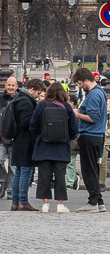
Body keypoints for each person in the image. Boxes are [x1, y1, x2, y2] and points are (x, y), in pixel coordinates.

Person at [29, 81, 78, 213]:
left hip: (43, 146)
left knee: (44, 176)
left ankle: (45, 204)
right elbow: (74, 127)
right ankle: (60, 204)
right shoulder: (66, 107)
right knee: (60, 176)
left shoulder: (41, 106)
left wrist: (39, 137)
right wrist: (67, 138)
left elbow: (32, 126)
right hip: (61, 147)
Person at [4, 78, 43, 210]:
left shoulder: (17, 99)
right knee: (25, 170)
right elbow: (27, 122)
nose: (38, 96)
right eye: (38, 93)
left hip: (18, 139)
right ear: (32, 89)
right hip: (26, 140)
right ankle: (23, 200)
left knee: (19, 172)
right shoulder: (26, 102)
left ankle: (15, 202)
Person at [71, 66, 106, 212]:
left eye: (80, 83)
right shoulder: (101, 92)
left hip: (90, 135)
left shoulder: (92, 95)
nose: (80, 86)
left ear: (86, 80)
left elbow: (93, 117)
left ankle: (92, 202)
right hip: (97, 136)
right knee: (93, 169)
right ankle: (99, 201)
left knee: (88, 170)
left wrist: (77, 114)